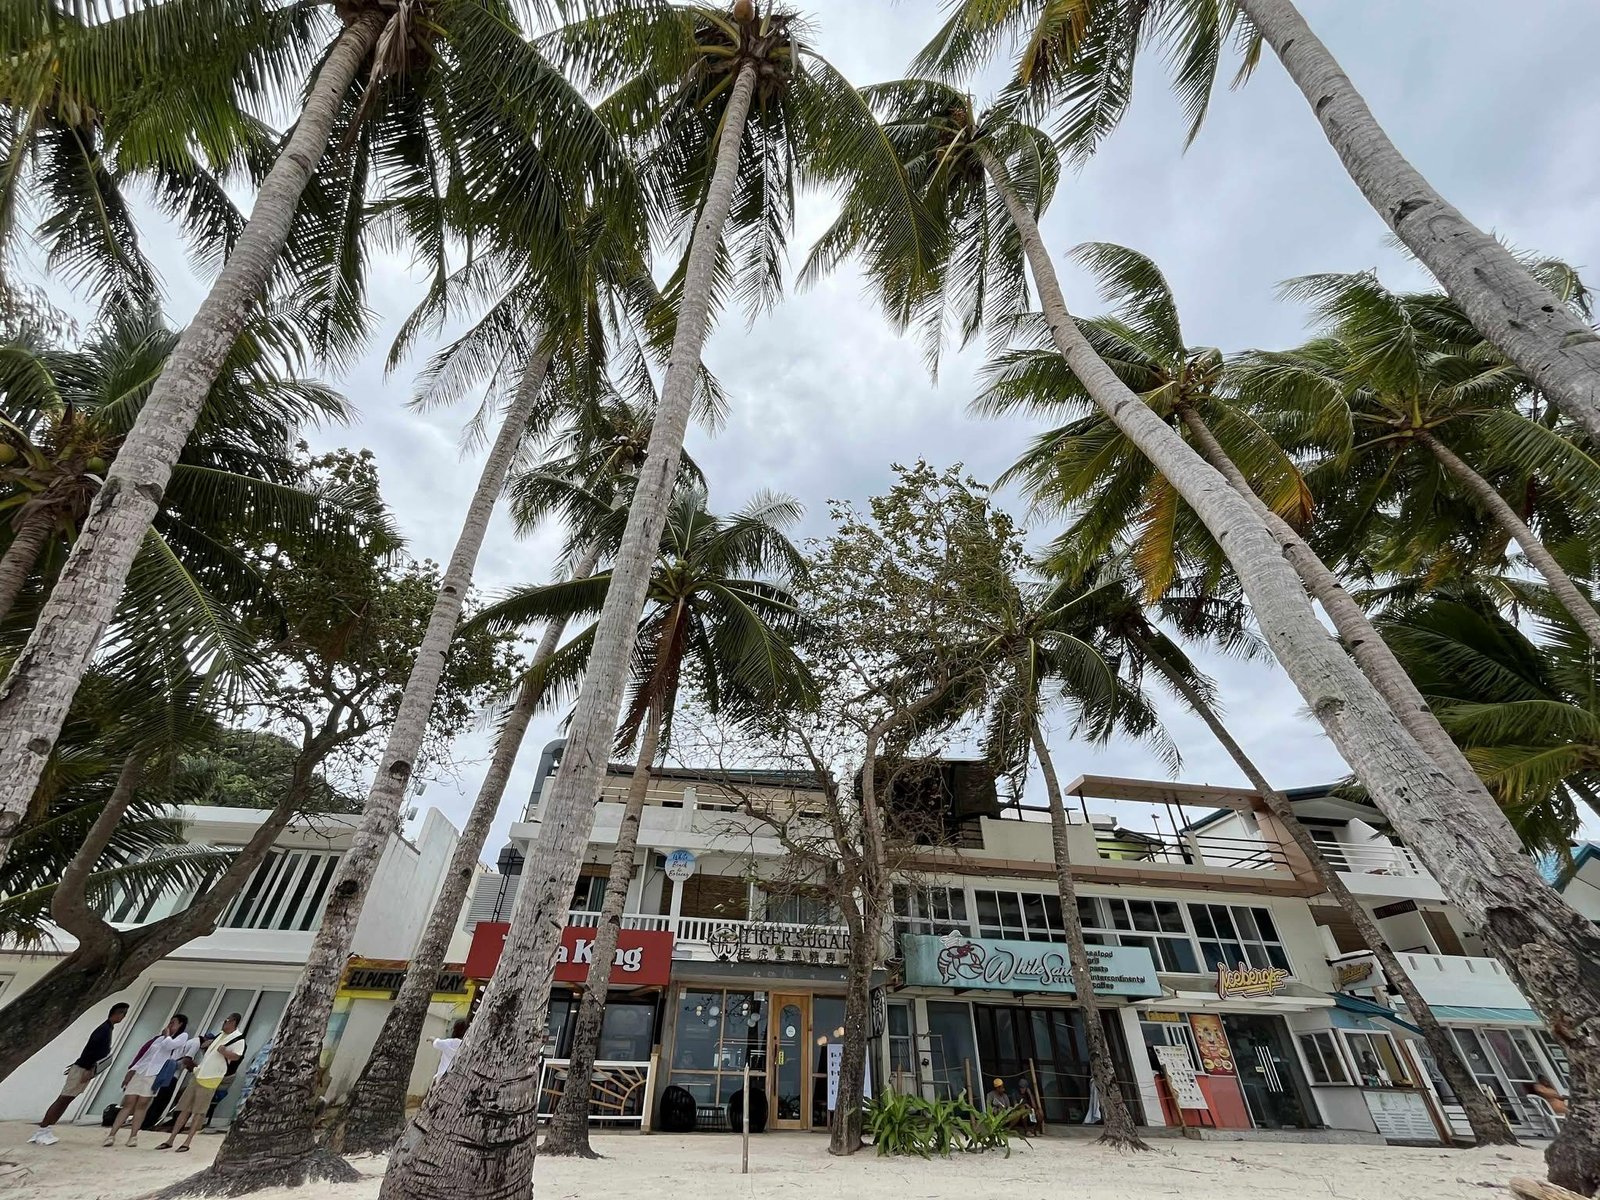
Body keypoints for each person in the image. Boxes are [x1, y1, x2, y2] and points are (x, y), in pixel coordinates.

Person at [28, 1002, 129, 1145]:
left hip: (83, 1067)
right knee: (63, 1099)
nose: (123, 1017)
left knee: (66, 1100)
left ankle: (46, 1129)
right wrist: (87, 1068)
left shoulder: (107, 1029)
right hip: (83, 1069)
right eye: (122, 1014)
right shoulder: (104, 1030)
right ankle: (43, 1130)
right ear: (116, 1013)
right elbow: (92, 1051)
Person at [105, 1015, 194, 1147]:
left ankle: (133, 1135)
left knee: (142, 1104)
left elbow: (169, 1046)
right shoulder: (158, 1039)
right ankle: (112, 1134)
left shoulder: (182, 1037)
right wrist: (131, 1071)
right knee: (128, 1102)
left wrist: (167, 1035)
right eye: (170, 1021)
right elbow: (144, 1056)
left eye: (173, 1022)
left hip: (154, 1074)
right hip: (141, 1071)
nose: (170, 1024)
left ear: (181, 1024)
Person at [159, 1013, 244, 1151]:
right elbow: (205, 1047)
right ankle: (171, 1139)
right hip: (200, 1074)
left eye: (227, 1021)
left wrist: (224, 1052)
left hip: (211, 1078)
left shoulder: (237, 1039)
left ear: (234, 1022)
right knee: (184, 1108)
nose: (224, 1023)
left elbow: (236, 1057)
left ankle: (187, 1142)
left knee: (199, 1111)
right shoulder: (220, 1035)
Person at [431, 1018, 469, 1083]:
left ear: (454, 1029)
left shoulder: (449, 1042)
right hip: (456, 1079)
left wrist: (431, 1038)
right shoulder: (467, 1046)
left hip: (442, 1076)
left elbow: (436, 1042)